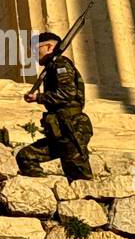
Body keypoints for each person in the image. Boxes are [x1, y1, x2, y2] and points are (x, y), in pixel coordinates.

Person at [16, 30, 94, 180]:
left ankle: (90, 201)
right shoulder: (51, 67)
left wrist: (39, 97)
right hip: (58, 128)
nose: (33, 54)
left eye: (35, 49)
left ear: (50, 47)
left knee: (78, 175)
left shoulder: (60, 64)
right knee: (25, 156)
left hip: (72, 126)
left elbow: (67, 93)